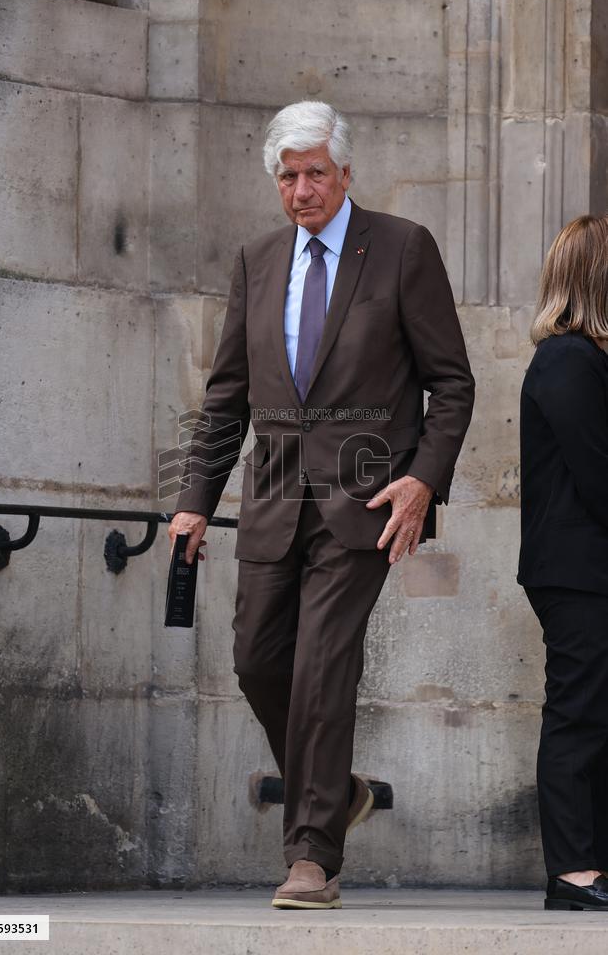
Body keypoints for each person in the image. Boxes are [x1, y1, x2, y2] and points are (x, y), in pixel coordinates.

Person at [169, 101, 474, 909]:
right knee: (256, 661)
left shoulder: (403, 249)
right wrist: (195, 500)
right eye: (287, 175)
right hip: (272, 500)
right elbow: (227, 393)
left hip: (366, 500)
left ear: (345, 173)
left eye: (314, 172)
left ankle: (312, 856)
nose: (301, 189)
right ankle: (336, 790)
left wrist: (423, 480)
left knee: (321, 667)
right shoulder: (258, 260)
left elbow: (452, 382)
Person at [518, 214, 608, 911]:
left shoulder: (585, 360)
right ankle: (572, 873)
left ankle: (591, 862)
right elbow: (598, 471)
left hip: (587, 568)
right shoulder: (567, 360)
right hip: (579, 571)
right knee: (578, 713)